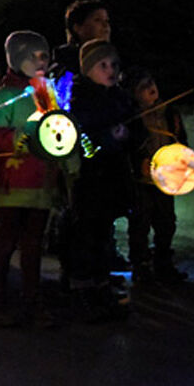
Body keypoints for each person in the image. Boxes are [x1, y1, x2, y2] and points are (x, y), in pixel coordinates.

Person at [0, 31, 60, 328]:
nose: (42, 61)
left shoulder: (47, 94)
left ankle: (32, 299)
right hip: (14, 181)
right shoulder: (4, 97)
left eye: (44, 55)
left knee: (33, 243)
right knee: (7, 239)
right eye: (34, 56)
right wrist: (23, 137)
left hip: (42, 181)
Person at [67, 39, 133, 322]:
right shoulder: (82, 99)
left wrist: (127, 135)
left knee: (105, 233)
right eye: (101, 65)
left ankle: (102, 283)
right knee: (88, 233)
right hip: (91, 178)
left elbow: (133, 126)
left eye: (112, 65)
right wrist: (107, 139)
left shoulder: (119, 97)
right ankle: (84, 287)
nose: (109, 70)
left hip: (113, 176)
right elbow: (83, 140)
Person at [123, 67, 189, 284]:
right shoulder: (132, 117)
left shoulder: (170, 112)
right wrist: (137, 162)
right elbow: (128, 146)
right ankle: (140, 264)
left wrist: (183, 161)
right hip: (141, 181)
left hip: (165, 179)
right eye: (143, 87)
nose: (151, 88)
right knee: (140, 223)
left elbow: (181, 141)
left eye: (151, 83)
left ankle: (163, 262)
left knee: (167, 222)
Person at [52, 0, 111, 79]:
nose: (105, 25)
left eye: (106, 20)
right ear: (78, 28)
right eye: (97, 20)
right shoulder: (66, 66)